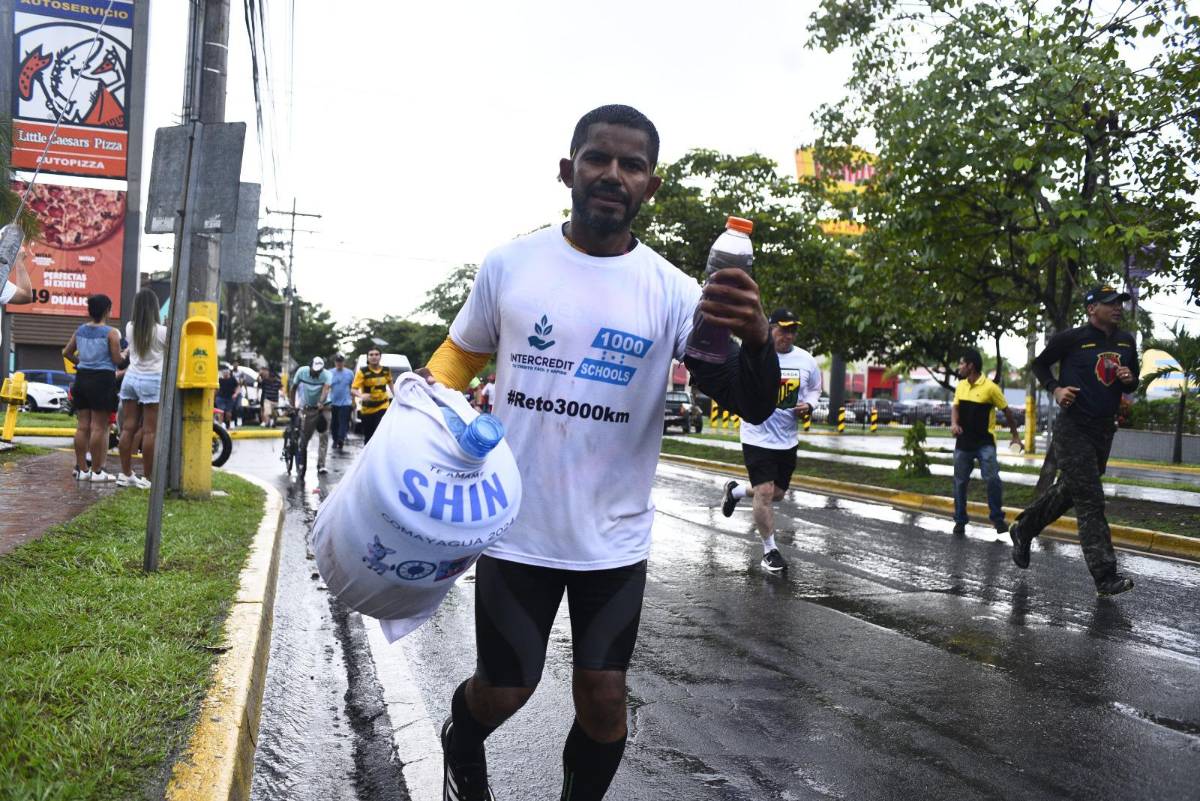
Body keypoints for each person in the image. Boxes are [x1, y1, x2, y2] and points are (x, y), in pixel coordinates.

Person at [413, 104, 778, 801]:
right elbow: (460, 354)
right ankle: (462, 736)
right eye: (598, 158)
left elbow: (751, 401)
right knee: (506, 688)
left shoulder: (676, 292)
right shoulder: (511, 264)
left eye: (631, 164)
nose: (613, 174)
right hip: (515, 526)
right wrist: (420, 408)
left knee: (605, 698)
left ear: (651, 186)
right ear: (568, 170)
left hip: (613, 540)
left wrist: (757, 337)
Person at [1009, 285, 1139, 596]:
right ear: (1092, 309)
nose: (1118, 308)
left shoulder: (1126, 341)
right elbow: (1039, 364)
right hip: (1073, 428)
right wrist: (1055, 389)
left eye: (1120, 302)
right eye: (1110, 303)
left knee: (1071, 490)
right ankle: (1105, 576)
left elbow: (1131, 381)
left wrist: (1129, 380)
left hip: (1103, 430)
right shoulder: (1071, 338)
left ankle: (1023, 528)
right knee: (1091, 499)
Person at [720, 308, 822, 572]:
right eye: (783, 329)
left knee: (776, 494)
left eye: (793, 330)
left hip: (786, 439)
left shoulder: (806, 360)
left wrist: (809, 405)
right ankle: (769, 551)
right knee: (764, 492)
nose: (788, 335)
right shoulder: (753, 355)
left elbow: (815, 389)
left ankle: (735, 491)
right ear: (769, 328)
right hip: (756, 434)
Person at [949, 347, 1022, 536]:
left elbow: (1007, 411)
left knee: (992, 479)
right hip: (963, 443)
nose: (959, 367)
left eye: (962, 364)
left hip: (984, 443)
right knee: (960, 482)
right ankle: (960, 520)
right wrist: (954, 424)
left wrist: (1015, 436)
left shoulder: (990, 388)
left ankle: (997, 519)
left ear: (971, 366)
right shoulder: (961, 386)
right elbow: (955, 407)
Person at [62, 294, 122, 482]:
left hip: (82, 378)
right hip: (102, 380)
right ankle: (97, 471)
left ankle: (82, 469)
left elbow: (66, 352)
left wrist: (81, 362)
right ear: (107, 310)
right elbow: (116, 359)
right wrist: (126, 354)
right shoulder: (111, 333)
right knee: (98, 427)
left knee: (82, 426)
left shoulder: (80, 330)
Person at [115, 289, 166, 488]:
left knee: (128, 428)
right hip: (152, 380)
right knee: (150, 432)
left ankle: (126, 473)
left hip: (131, 379)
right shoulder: (162, 332)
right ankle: (148, 477)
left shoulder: (130, 327)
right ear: (155, 308)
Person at [290, 356, 332, 475]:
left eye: (319, 371)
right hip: (308, 407)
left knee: (324, 435)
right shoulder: (301, 372)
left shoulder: (327, 374)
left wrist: (321, 402)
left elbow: (325, 389)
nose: (317, 373)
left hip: (324, 407)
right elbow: (293, 388)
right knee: (305, 437)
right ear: (310, 367)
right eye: (315, 371)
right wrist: (292, 405)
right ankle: (301, 461)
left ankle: (321, 465)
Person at [351, 347, 392, 445]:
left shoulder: (386, 370)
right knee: (369, 436)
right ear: (368, 357)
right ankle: (368, 453)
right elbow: (353, 389)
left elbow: (391, 385)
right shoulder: (363, 372)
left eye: (376, 354)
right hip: (368, 409)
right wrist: (361, 395)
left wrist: (398, 397)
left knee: (380, 432)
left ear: (380, 356)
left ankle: (381, 453)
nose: (374, 357)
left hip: (383, 406)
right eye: (371, 355)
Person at [328, 354, 355, 450]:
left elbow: (353, 388)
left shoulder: (350, 373)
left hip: (346, 402)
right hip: (333, 402)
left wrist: (353, 401)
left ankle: (341, 439)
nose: (339, 363)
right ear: (335, 362)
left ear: (344, 362)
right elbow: (326, 387)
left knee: (344, 421)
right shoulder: (330, 373)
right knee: (334, 423)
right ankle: (335, 439)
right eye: (337, 361)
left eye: (341, 361)